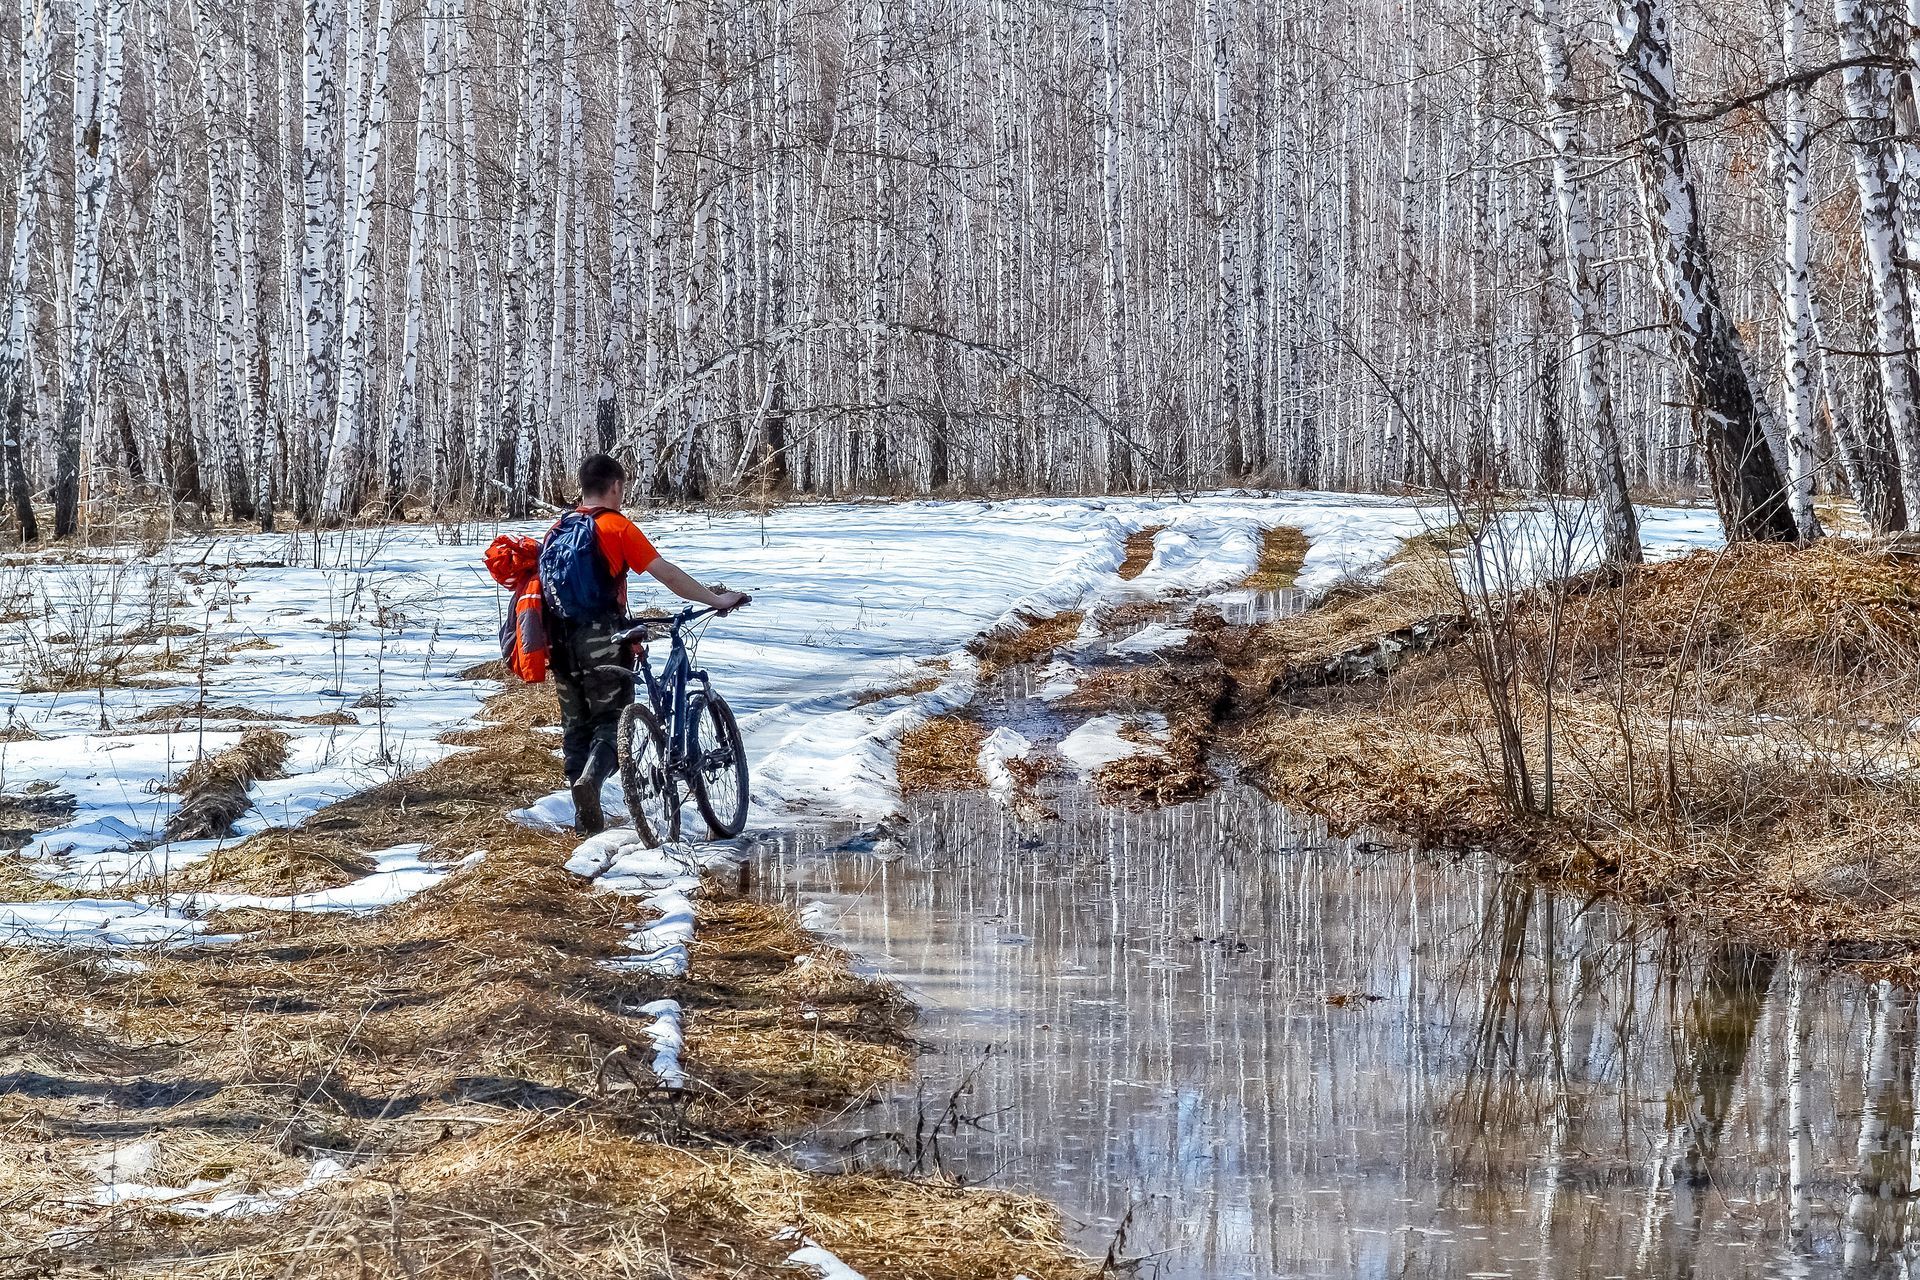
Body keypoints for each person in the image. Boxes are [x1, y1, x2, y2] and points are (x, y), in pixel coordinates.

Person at [542, 453, 749, 835]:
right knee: (610, 721)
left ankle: (583, 820)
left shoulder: (557, 529)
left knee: (575, 727)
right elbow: (666, 573)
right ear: (616, 487)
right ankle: (592, 779)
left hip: (558, 641)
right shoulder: (616, 527)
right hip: (603, 637)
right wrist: (715, 599)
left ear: (582, 487)